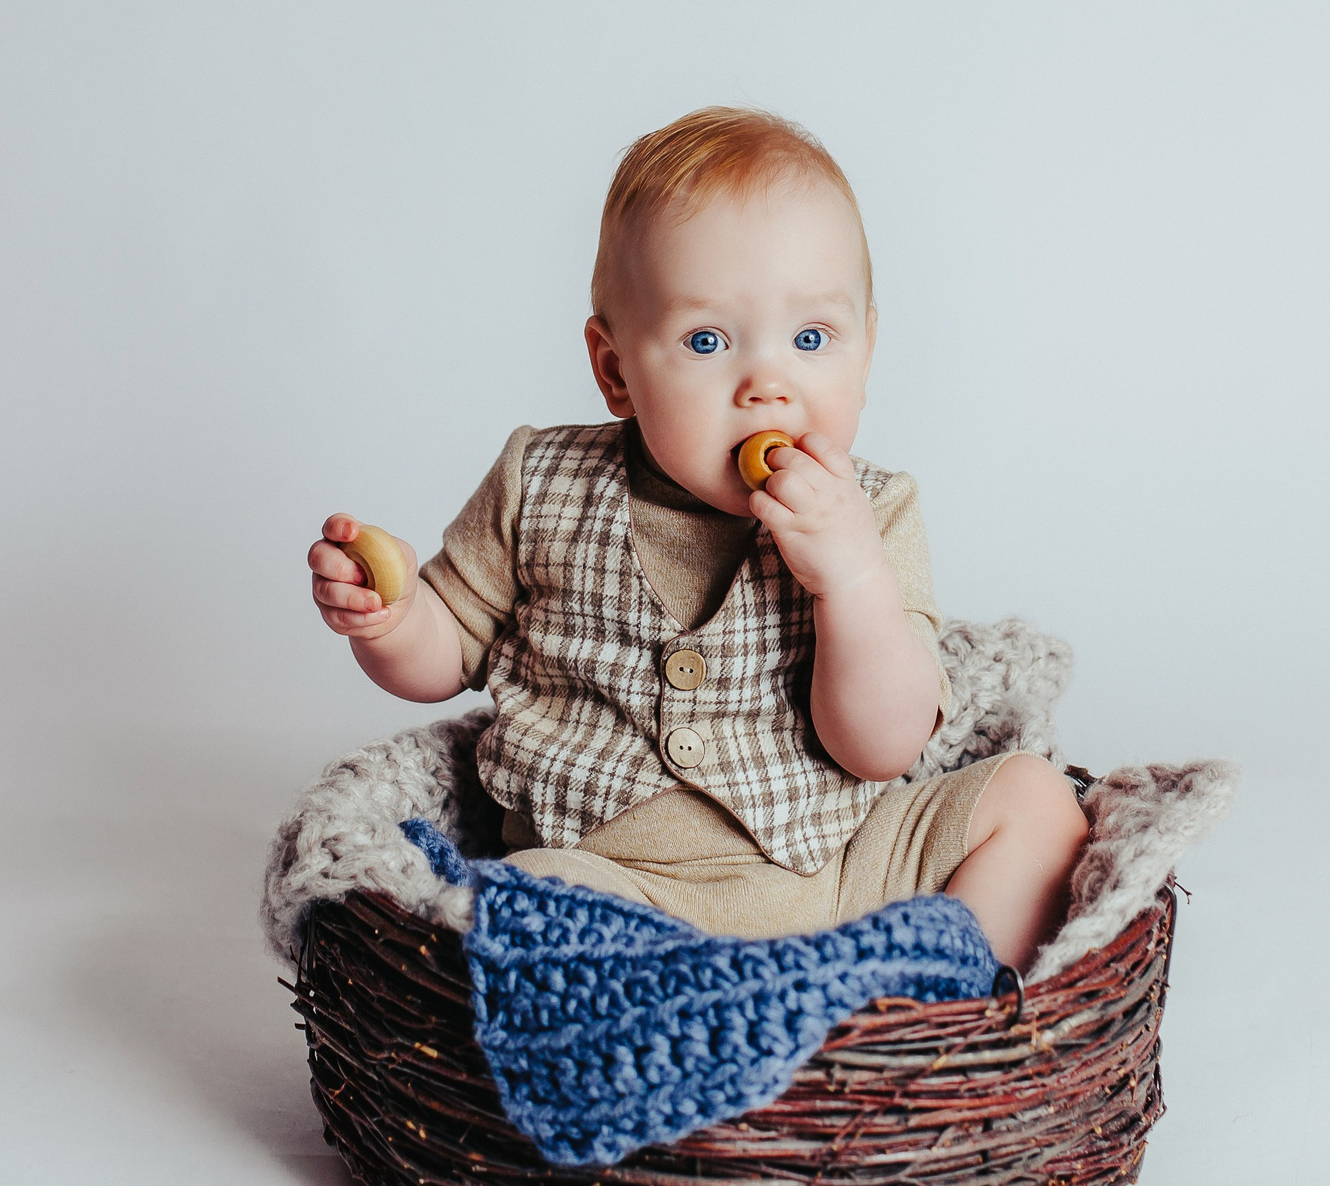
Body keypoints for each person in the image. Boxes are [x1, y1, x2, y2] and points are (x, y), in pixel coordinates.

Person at [306, 107, 1087, 966]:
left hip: (836, 870)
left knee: (1036, 804)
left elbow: (881, 747)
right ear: (616, 370)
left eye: (813, 337)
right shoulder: (541, 482)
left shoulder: (874, 511)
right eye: (707, 340)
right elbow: (447, 654)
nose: (768, 384)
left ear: (867, 350)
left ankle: (921, 1006)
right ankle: (749, 1011)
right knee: (517, 909)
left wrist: (853, 581)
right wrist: (392, 619)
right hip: (611, 881)